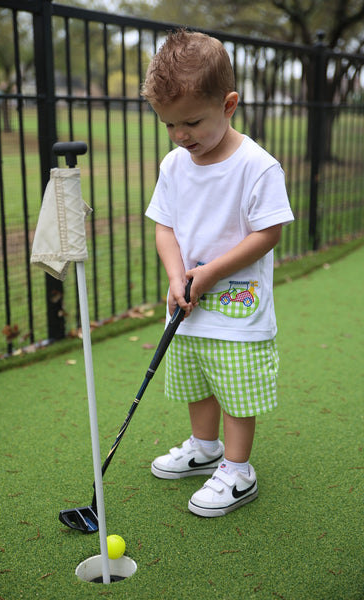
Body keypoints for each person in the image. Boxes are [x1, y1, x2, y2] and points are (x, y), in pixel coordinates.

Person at [142, 29, 294, 518]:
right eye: (169, 125)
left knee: (235, 385)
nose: (181, 135)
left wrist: (207, 274)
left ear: (228, 104)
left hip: (236, 306)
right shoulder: (174, 164)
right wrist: (176, 275)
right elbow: (165, 227)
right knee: (197, 380)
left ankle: (237, 469)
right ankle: (204, 448)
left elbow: (267, 234)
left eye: (191, 122)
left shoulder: (257, 167)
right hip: (187, 304)